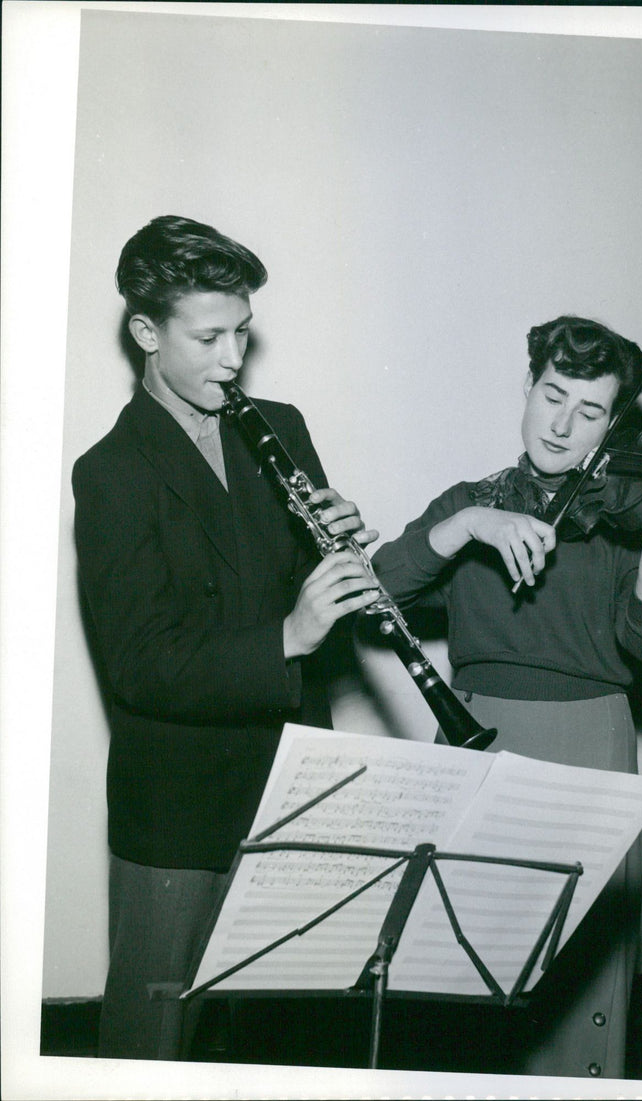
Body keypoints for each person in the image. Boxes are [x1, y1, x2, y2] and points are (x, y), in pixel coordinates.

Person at [72, 215, 380, 1061]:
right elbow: (142, 665)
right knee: (154, 1040)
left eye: (242, 332)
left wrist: (337, 552)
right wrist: (289, 631)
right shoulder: (111, 472)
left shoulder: (278, 425)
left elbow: (302, 600)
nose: (234, 358)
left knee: (281, 1040)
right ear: (146, 332)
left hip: (290, 785)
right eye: (209, 336)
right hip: (179, 807)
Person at [370, 315, 642, 1080]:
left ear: (614, 422)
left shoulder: (625, 514)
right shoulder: (471, 499)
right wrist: (464, 525)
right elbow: (379, 590)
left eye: (590, 411)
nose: (561, 424)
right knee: (457, 975)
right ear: (528, 386)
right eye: (552, 395)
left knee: (574, 984)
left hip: (588, 742)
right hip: (473, 740)